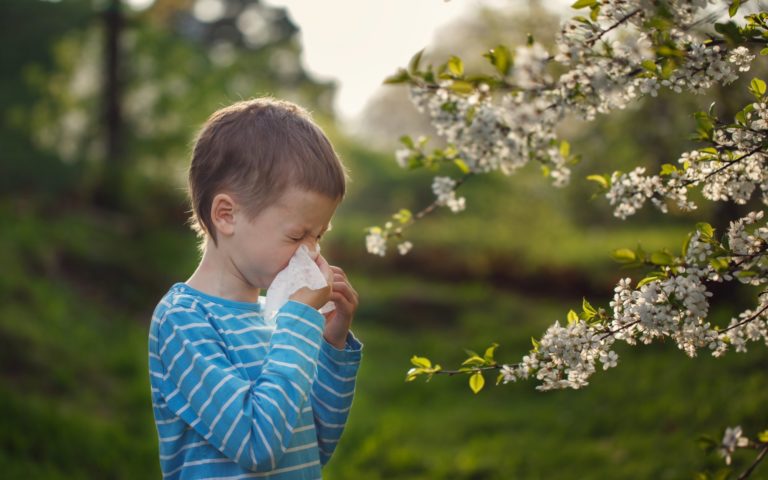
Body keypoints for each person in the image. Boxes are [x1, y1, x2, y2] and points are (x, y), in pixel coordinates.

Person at [147, 98, 362, 479]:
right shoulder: (182, 321)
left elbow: (313, 446)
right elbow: (257, 445)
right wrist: (298, 322)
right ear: (227, 215)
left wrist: (332, 344)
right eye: (297, 235)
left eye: (319, 236)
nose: (311, 253)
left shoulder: (278, 317)